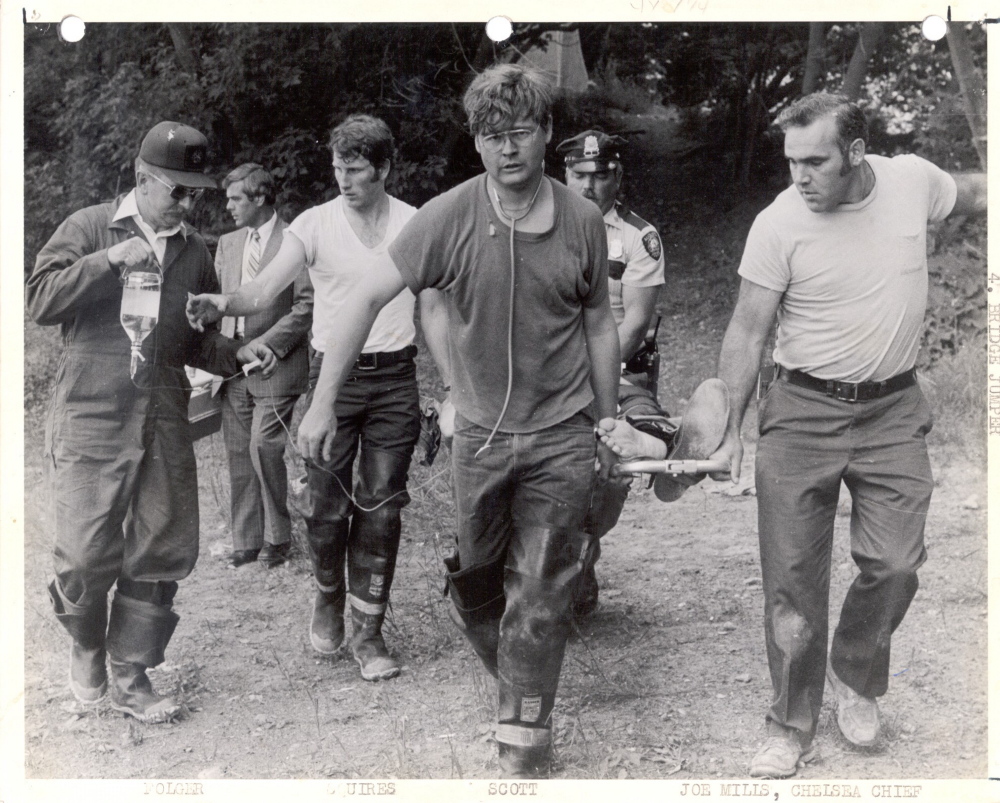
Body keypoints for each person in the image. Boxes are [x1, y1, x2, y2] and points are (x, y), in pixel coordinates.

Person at [190, 63, 622, 778]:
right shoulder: (447, 217)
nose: (506, 149)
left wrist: (607, 422)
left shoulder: (581, 220)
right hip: (481, 436)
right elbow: (360, 300)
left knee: (543, 584)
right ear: (476, 143)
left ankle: (524, 723)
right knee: (481, 586)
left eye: (519, 133)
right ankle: (510, 666)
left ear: (546, 133)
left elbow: (600, 322)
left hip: (560, 431)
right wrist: (323, 400)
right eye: (490, 137)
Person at [705, 93, 986, 778]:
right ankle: (788, 722)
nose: (799, 176)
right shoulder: (779, 225)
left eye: (814, 161)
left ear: (856, 154)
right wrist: (730, 428)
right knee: (793, 582)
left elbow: (974, 192)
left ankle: (855, 674)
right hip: (802, 409)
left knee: (895, 563)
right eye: (790, 162)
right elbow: (747, 330)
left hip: (893, 410)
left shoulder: (911, 181)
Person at [26, 121, 274, 722]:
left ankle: (130, 671)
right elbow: (39, 299)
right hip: (91, 413)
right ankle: (86, 644)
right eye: (178, 193)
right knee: (84, 554)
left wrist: (237, 353)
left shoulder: (193, 251)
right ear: (143, 180)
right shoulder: (90, 227)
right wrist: (108, 260)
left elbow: (196, 341)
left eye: (197, 194)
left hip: (164, 412)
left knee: (160, 548)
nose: (190, 205)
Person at [187, 114, 448, 682]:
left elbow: (432, 306)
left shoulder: (417, 222)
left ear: (384, 167)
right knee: (326, 508)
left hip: (395, 381)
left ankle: (369, 630)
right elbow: (262, 290)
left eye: (355, 170)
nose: (344, 180)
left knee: (381, 508)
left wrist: (452, 386)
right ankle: (328, 598)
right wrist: (221, 303)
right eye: (337, 168)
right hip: (335, 381)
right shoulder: (314, 223)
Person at [559, 128, 668, 615]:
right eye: (578, 175)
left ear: (616, 177)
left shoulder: (639, 238)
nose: (588, 186)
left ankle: (584, 551)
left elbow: (637, 322)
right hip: (551, 369)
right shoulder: (541, 226)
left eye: (599, 176)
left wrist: (592, 373)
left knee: (614, 458)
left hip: (618, 368)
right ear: (563, 174)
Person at [215, 163, 313, 569]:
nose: (228, 207)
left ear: (259, 197)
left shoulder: (296, 240)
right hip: (232, 364)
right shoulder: (227, 243)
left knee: (264, 446)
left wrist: (267, 343)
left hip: (276, 364)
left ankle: (279, 535)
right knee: (239, 452)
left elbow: (307, 305)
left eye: (235, 198)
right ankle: (246, 540)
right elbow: (221, 302)